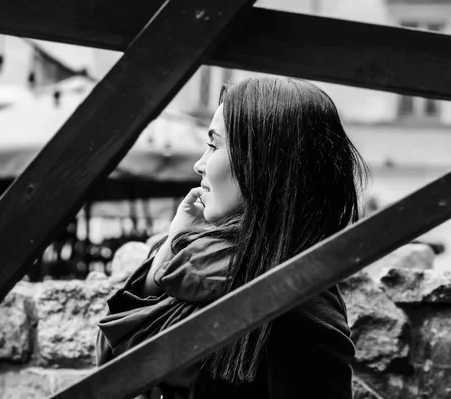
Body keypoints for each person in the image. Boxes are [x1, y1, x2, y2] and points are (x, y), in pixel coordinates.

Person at [96, 75, 367, 398]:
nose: (199, 164)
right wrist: (170, 247)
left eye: (213, 145)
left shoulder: (301, 303)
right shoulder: (200, 261)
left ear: (263, 162)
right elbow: (111, 359)